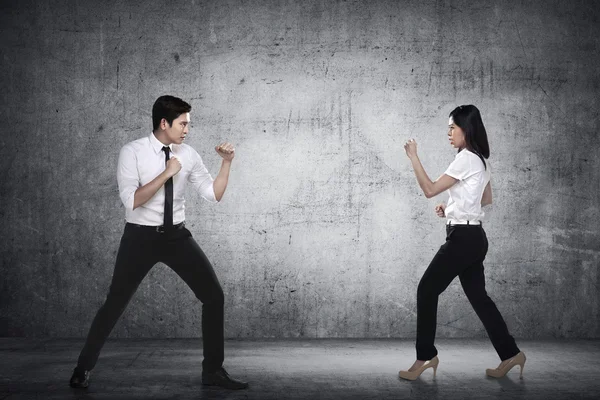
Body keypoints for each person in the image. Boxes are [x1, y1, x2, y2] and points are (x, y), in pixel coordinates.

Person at [69, 95, 248, 390]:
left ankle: (213, 371)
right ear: (164, 123)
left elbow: (213, 194)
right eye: (183, 123)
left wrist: (226, 163)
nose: (187, 129)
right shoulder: (133, 152)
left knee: (214, 296)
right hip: (140, 237)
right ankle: (83, 368)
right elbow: (131, 201)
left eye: (188, 123)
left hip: (176, 236)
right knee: (114, 304)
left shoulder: (188, 154)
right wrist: (167, 172)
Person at [398, 105, 526, 381]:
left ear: (466, 129)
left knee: (426, 290)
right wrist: (454, 208)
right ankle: (511, 353)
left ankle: (425, 356)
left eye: (452, 127)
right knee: (480, 299)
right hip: (475, 237)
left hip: (463, 240)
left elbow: (429, 189)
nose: (448, 133)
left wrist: (413, 157)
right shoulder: (480, 159)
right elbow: (485, 199)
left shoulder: (465, 158)